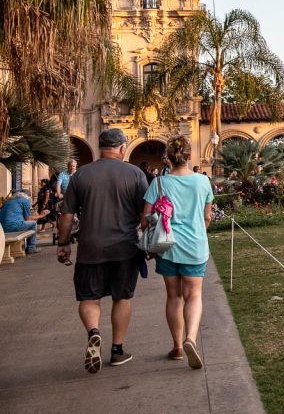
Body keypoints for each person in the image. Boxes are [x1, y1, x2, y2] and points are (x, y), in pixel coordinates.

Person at [57, 128, 149, 374]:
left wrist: (63, 243)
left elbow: (66, 214)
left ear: (100, 147)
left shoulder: (80, 175)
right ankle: (118, 350)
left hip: (90, 249)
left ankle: (94, 332)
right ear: (122, 148)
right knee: (122, 297)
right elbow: (144, 217)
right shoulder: (135, 174)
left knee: (89, 297)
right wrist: (148, 241)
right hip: (125, 248)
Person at [141, 135, 214, 370]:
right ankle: (191, 338)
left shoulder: (159, 184)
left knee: (174, 296)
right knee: (194, 295)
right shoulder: (203, 182)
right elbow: (207, 217)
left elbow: (145, 219)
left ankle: (178, 347)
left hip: (167, 247)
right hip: (195, 247)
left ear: (168, 158)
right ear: (189, 155)